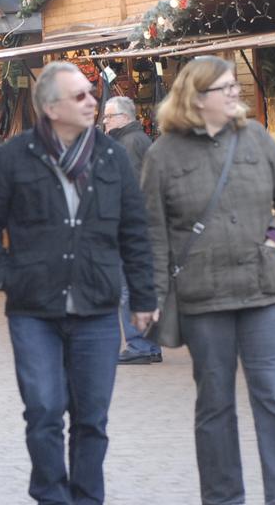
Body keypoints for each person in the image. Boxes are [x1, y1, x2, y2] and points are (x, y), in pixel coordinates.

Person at [0, 61, 157, 505]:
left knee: (92, 418)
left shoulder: (110, 156)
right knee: (44, 412)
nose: (92, 101)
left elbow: (134, 229)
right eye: (80, 96)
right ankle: (51, 496)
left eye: (92, 94)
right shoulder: (14, 157)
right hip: (34, 309)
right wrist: (5, 275)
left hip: (94, 307)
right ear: (51, 107)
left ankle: (88, 498)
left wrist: (144, 296)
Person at [142, 55, 275, 505]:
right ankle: (222, 497)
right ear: (196, 98)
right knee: (214, 402)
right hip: (203, 297)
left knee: (271, 394)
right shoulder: (162, 155)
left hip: (263, 291)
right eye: (225, 88)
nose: (236, 93)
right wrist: (152, 296)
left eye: (235, 85)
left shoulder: (254, 137)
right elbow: (152, 234)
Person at [101, 95, 162, 365]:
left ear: (124, 118)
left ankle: (139, 345)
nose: (104, 121)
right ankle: (149, 345)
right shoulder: (137, 140)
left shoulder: (126, 145)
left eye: (108, 117)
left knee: (127, 288)